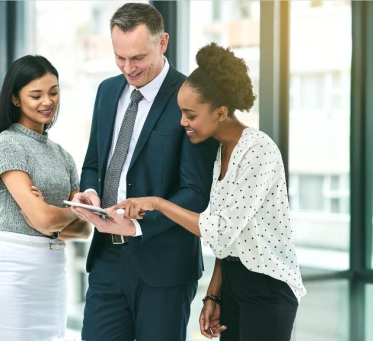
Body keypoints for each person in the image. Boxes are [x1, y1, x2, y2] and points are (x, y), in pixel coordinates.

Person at [112, 43, 307, 341]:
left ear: (220, 113)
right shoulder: (219, 153)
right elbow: (228, 244)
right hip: (232, 281)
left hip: (267, 288)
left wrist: (157, 203)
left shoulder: (258, 150)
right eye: (181, 112)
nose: (182, 122)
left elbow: (221, 231)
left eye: (190, 115)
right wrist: (213, 296)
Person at [69, 3, 219, 340]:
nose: (127, 68)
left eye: (137, 58)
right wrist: (90, 191)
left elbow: (196, 191)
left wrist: (139, 224)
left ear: (162, 42)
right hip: (106, 258)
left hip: (164, 266)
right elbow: (94, 162)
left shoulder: (194, 98)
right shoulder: (107, 91)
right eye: (119, 57)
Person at [0, 55, 91, 341]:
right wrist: (70, 211)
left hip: (54, 273)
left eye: (53, 92)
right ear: (15, 99)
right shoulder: (7, 144)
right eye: (36, 95)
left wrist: (55, 215)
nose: (47, 102)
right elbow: (43, 219)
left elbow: (84, 228)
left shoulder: (63, 155)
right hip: (16, 271)